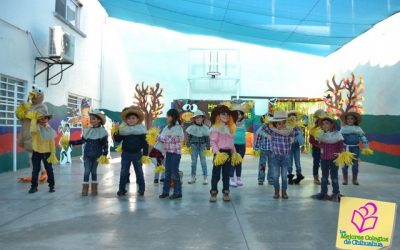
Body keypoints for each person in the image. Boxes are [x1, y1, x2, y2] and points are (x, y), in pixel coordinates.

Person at [70, 110, 108, 196]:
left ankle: (94, 189)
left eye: (94, 119)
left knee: (94, 171)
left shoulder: (102, 131)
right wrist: (72, 142)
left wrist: (105, 154)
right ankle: (85, 189)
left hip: (97, 155)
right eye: (91, 119)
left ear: (99, 120)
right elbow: (82, 140)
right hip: (87, 155)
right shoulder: (88, 130)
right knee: (87, 171)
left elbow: (105, 144)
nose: (92, 120)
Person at [113, 106, 148, 196]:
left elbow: (145, 143)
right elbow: (117, 139)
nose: (131, 120)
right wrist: (116, 130)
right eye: (129, 118)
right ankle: (122, 189)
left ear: (137, 119)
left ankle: (142, 189)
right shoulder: (123, 130)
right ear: (126, 120)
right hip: (126, 154)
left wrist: (145, 154)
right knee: (124, 172)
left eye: (133, 118)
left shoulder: (141, 130)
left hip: (137, 154)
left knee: (139, 172)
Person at [263, 111, 298, 200]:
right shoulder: (272, 131)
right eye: (279, 123)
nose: (281, 125)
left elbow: (297, 131)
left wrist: (293, 122)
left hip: (286, 157)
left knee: (284, 176)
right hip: (275, 157)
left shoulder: (289, 131)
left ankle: (284, 191)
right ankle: (276, 191)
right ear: (275, 123)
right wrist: (269, 122)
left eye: (284, 122)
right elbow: (264, 127)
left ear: (286, 122)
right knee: (275, 176)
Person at [209, 105, 240, 202]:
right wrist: (217, 153)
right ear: (217, 115)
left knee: (226, 175)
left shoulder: (230, 128)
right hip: (219, 154)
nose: (225, 116)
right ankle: (213, 192)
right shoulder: (215, 128)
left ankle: (226, 192)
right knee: (216, 175)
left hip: (228, 154)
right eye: (223, 114)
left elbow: (231, 143)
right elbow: (213, 142)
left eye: (227, 114)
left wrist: (234, 153)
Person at [311, 116, 344, 202]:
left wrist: (340, 152)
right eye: (323, 124)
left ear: (332, 124)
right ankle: (323, 193)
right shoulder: (321, 135)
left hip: (334, 158)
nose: (325, 125)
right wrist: (312, 134)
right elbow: (314, 142)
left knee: (334, 177)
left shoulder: (337, 134)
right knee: (324, 177)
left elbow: (341, 145)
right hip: (324, 158)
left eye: (327, 123)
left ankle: (336, 193)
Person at [28, 110, 58, 194]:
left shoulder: (49, 130)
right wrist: (34, 119)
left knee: (49, 169)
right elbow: (32, 130)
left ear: (48, 119)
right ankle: (34, 187)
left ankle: (51, 186)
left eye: (46, 118)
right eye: (41, 118)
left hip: (47, 152)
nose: (44, 120)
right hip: (37, 152)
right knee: (35, 170)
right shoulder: (36, 128)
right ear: (38, 120)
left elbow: (52, 142)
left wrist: (53, 153)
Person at [158, 109, 185, 200]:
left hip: (175, 154)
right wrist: (161, 137)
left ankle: (178, 192)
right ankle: (165, 192)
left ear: (173, 117)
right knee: (167, 173)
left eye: (168, 116)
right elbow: (164, 137)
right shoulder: (167, 127)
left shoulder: (178, 127)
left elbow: (173, 139)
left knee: (174, 173)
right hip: (168, 153)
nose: (167, 118)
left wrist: (159, 137)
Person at [340, 111, 369, 185]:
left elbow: (363, 137)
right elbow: (339, 138)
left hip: (355, 149)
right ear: (345, 120)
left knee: (355, 165)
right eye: (348, 119)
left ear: (355, 120)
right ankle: (345, 179)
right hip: (345, 148)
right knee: (345, 165)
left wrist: (366, 147)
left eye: (351, 119)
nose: (349, 120)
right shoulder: (343, 129)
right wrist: (340, 147)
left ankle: (354, 179)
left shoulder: (358, 129)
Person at [185, 110, 210, 185]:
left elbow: (207, 138)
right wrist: (188, 143)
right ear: (194, 119)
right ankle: (193, 177)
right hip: (194, 146)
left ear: (203, 118)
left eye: (200, 118)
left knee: (203, 162)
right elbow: (189, 136)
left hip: (202, 146)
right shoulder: (191, 128)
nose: (198, 119)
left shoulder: (205, 128)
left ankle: (205, 177)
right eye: (196, 118)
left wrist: (208, 145)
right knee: (193, 162)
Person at [254, 113, 273, 185]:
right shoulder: (262, 128)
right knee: (262, 165)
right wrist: (256, 147)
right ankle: (261, 179)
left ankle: (270, 179)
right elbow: (258, 138)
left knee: (271, 165)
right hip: (264, 149)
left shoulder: (274, 128)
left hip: (272, 150)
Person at [230, 104, 246, 187]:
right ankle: (231, 178)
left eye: (239, 114)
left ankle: (238, 178)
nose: (238, 115)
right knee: (233, 161)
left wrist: (251, 107)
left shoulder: (245, 123)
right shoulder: (230, 123)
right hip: (233, 145)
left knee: (239, 162)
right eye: (236, 114)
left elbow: (253, 118)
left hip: (242, 145)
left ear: (242, 115)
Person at [287, 111, 305, 185]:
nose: (293, 118)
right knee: (289, 162)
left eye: (294, 117)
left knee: (298, 161)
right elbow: (287, 134)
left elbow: (301, 134)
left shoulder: (298, 126)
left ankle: (299, 175)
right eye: (291, 117)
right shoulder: (287, 126)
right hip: (289, 146)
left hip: (296, 145)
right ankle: (290, 177)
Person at [309, 109, 327, 185]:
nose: (321, 122)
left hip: (326, 149)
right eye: (320, 120)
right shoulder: (313, 129)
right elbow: (311, 140)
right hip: (316, 149)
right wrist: (317, 145)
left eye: (323, 120)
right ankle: (316, 178)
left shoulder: (327, 129)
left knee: (325, 164)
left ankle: (325, 178)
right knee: (316, 163)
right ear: (317, 120)